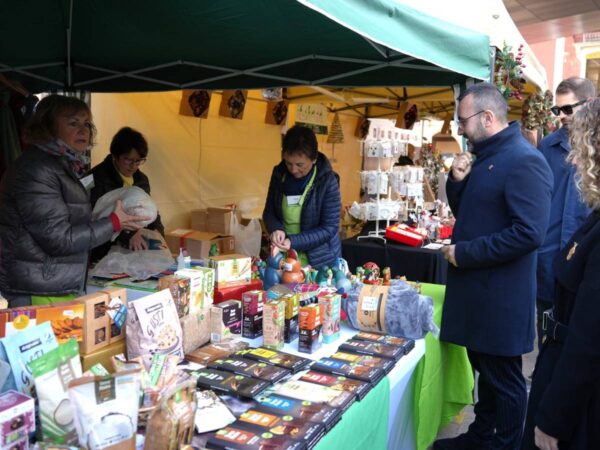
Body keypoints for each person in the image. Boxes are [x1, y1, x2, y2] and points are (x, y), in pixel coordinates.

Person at [434, 83, 553, 450]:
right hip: (478, 294)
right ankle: (482, 436)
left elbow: (528, 234)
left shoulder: (524, 160)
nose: (460, 130)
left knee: (505, 381)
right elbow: (471, 212)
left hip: (500, 298)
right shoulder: (487, 156)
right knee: (486, 374)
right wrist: (456, 182)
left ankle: (506, 444)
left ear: (487, 117)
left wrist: (465, 253)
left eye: (463, 121)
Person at [0, 95, 146, 307]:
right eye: (73, 123)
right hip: (38, 287)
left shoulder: (62, 165)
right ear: (48, 126)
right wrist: (113, 222)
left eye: (86, 123)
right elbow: (59, 239)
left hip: (54, 282)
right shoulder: (37, 170)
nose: (83, 130)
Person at [522, 98, 600, 450]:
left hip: (578, 408)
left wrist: (554, 419)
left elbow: (589, 339)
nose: (572, 159)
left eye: (581, 149)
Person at [535, 77, 595, 352]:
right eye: (556, 110)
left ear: (590, 104)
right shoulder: (547, 147)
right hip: (548, 258)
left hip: (587, 258)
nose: (561, 116)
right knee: (547, 335)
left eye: (568, 109)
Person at [263, 125, 341, 269]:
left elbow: (329, 228)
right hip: (285, 258)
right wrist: (276, 228)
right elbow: (269, 212)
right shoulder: (279, 175)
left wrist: (293, 241)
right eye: (288, 163)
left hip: (320, 261)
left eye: (300, 164)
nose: (293, 170)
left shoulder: (327, 181)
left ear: (314, 159)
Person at [90, 126, 164, 261]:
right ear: (115, 156)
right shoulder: (95, 178)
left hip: (131, 253)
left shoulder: (141, 180)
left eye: (138, 161)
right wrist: (129, 234)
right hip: (100, 252)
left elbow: (149, 210)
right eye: (128, 160)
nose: (134, 166)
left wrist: (157, 232)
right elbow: (92, 217)